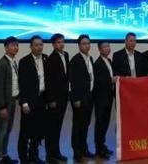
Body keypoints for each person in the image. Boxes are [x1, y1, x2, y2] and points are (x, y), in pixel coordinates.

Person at [18, 35, 47, 164]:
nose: (39, 47)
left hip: (41, 99)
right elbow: (22, 84)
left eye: (41, 44)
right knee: (25, 131)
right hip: (29, 101)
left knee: (38, 130)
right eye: (36, 45)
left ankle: (34, 156)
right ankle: (23, 157)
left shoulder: (45, 59)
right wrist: (24, 103)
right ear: (31, 46)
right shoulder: (24, 61)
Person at [0, 36, 20, 164]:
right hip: (5, 103)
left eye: (17, 45)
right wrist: (2, 106)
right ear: (6, 47)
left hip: (12, 101)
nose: (15, 48)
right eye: (12, 45)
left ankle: (4, 155)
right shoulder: (2, 64)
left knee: (8, 130)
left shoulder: (13, 61)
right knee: (2, 130)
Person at [69, 34, 95, 163]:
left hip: (89, 97)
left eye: (88, 43)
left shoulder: (90, 58)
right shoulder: (75, 60)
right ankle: (77, 153)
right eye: (84, 44)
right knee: (77, 126)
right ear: (79, 46)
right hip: (79, 99)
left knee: (85, 125)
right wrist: (76, 99)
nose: (87, 46)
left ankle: (84, 149)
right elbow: (73, 81)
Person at [44, 33, 69, 164]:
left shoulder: (66, 55)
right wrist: (51, 100)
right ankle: (50, 155)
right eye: (58, 42)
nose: (61, 44)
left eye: (62, 42)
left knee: (58, 127)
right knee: (51, 128)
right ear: (53, 45)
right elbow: (49, 81)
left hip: (64, 98)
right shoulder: (51, 59)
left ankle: (56, 152)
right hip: (54, 99)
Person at [93, 41, 115, 159]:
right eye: (104, 47)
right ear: (100, 49)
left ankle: (102, 145)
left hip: (108, 97)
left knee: (105, 123)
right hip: (101, 99)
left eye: (108, 46)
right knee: (100, 123)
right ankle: (98, 148)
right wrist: (112, 80)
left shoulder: (109, 61)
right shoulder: (98, 63)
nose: (107, 49)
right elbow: (100, 81)